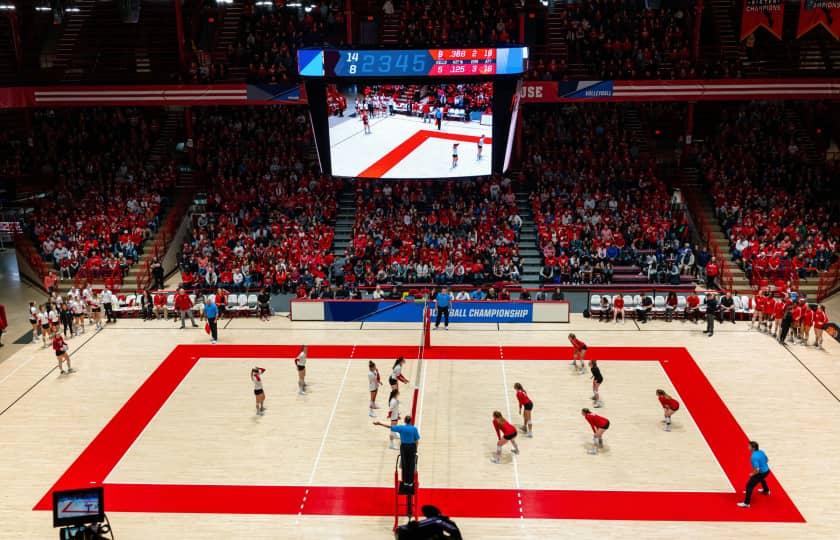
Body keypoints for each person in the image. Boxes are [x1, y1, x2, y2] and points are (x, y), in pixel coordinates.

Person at [374, 414, 420, 492]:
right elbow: (417, 440)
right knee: (411, 465)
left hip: (404, 448)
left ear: (405, 421)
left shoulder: (401, 428)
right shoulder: (414, 429)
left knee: (405, 465)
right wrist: (416, 449)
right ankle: (410, 482)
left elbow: (390, 426)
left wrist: (379, 423)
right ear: (411, 421)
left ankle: (405, 482)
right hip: (411, 447)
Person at [395, 505, 462, 540]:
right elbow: (455, 532)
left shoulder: (435, 521)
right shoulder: (439, 521)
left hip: (401, 531)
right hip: (405, 534)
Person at [738, 441, 771, 507]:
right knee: (761, 479)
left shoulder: (754, 457)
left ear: (753, 448)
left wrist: (752, 474)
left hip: (761, 472)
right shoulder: (761, 451)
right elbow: (767, 460)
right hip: (767, 470)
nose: (748, 447)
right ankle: (766, 491)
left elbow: (757, 469)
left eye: (749, 446)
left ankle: (746, 503)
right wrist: (763, 465)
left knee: (749, 486)